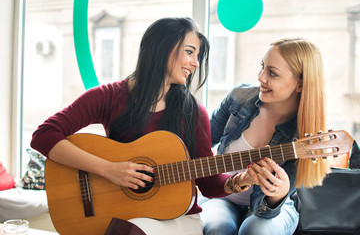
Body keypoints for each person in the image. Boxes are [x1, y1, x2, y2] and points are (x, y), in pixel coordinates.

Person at [30, 17, 234, 235]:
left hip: (179, 217)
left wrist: (238, 181)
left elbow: (208, 181)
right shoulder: (109, 97)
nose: (195, 63)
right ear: (162, 48)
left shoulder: (193, 111)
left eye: (197, 56)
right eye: (190, 52)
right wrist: (109, 170)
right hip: (125, 215)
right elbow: (43, 135)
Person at [198, 37, 332, 235]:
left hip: (272, 209)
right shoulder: (238, 98)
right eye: (262, 67)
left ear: (301, 84)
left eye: (272, 73)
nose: (260, 77)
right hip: (222, 197)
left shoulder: (305, 135)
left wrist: (277, 195)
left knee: (256, 230)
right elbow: (200, 145)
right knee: (218, 227)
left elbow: (267, 211)